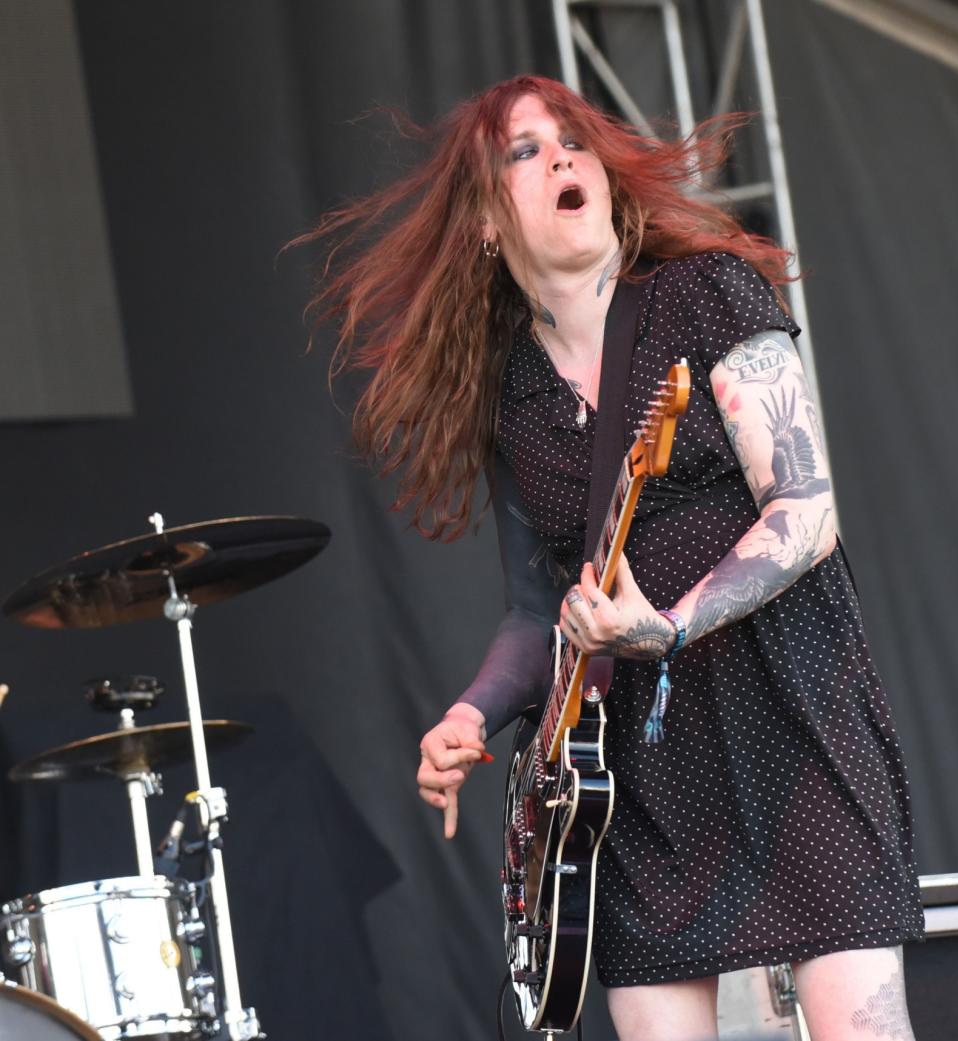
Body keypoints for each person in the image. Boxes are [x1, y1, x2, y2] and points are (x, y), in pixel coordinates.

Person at [306, 74, 923, 1041]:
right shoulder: (512, 393)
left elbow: (805, 512)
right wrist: (469, 715)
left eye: (572, 141)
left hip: (793, 714)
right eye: (524, 150)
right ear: (482, 221)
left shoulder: (704, 294)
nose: (562, 158)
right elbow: (534, 608)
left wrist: (668, 625)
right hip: (639, 778)